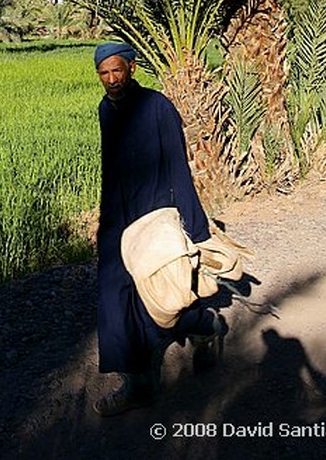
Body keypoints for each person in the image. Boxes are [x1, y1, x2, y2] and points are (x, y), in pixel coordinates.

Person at [93, 41, 226, 417]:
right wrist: (104, 223)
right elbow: (110, 169)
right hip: (119, 219)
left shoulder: (158, 108)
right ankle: (137, 385)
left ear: (132, 67)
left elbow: (178, 167)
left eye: (117, 70)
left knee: (162, 292)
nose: (111, 79)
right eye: (104, 73)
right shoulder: (106, 110)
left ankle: (204, 326)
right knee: (114, 293)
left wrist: (195, 227)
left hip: (156, 214)